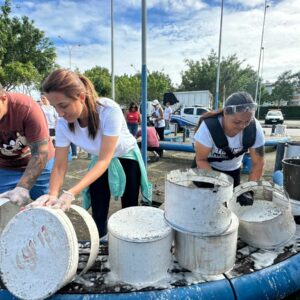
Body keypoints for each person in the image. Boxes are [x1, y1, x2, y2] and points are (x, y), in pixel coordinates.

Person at [29, 69, 152, 239]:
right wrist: (52, 194)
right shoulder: (63, 124)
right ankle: (100, 242)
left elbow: (104, 160)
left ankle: (129, 242)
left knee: (129, 208)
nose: (60, 113)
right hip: (99, 161)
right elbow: (59, 165)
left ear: (80, 96)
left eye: (63, 105)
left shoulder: (108, 110)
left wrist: (70, 193)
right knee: (98, 207)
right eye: (54, 106)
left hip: (126, 157)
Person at [194, 92, 265, 205]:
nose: (242, 126)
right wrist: (219, 185)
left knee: (231, 205)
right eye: (237, 122)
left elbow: (258, 163)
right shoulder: (208, 128)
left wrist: (249, 191)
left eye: (247, 121)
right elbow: (201, 160)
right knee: (206, 203)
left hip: (233, 171)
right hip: (208, 168)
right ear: (225, 112)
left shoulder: (254, 129)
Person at [0, 84, 55, 205]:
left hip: (39, 160)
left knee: (44, 206)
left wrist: (23, 187)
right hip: (6, 166)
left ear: (3, 98)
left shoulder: (27, 108)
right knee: (4, 208)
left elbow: (40, 154)